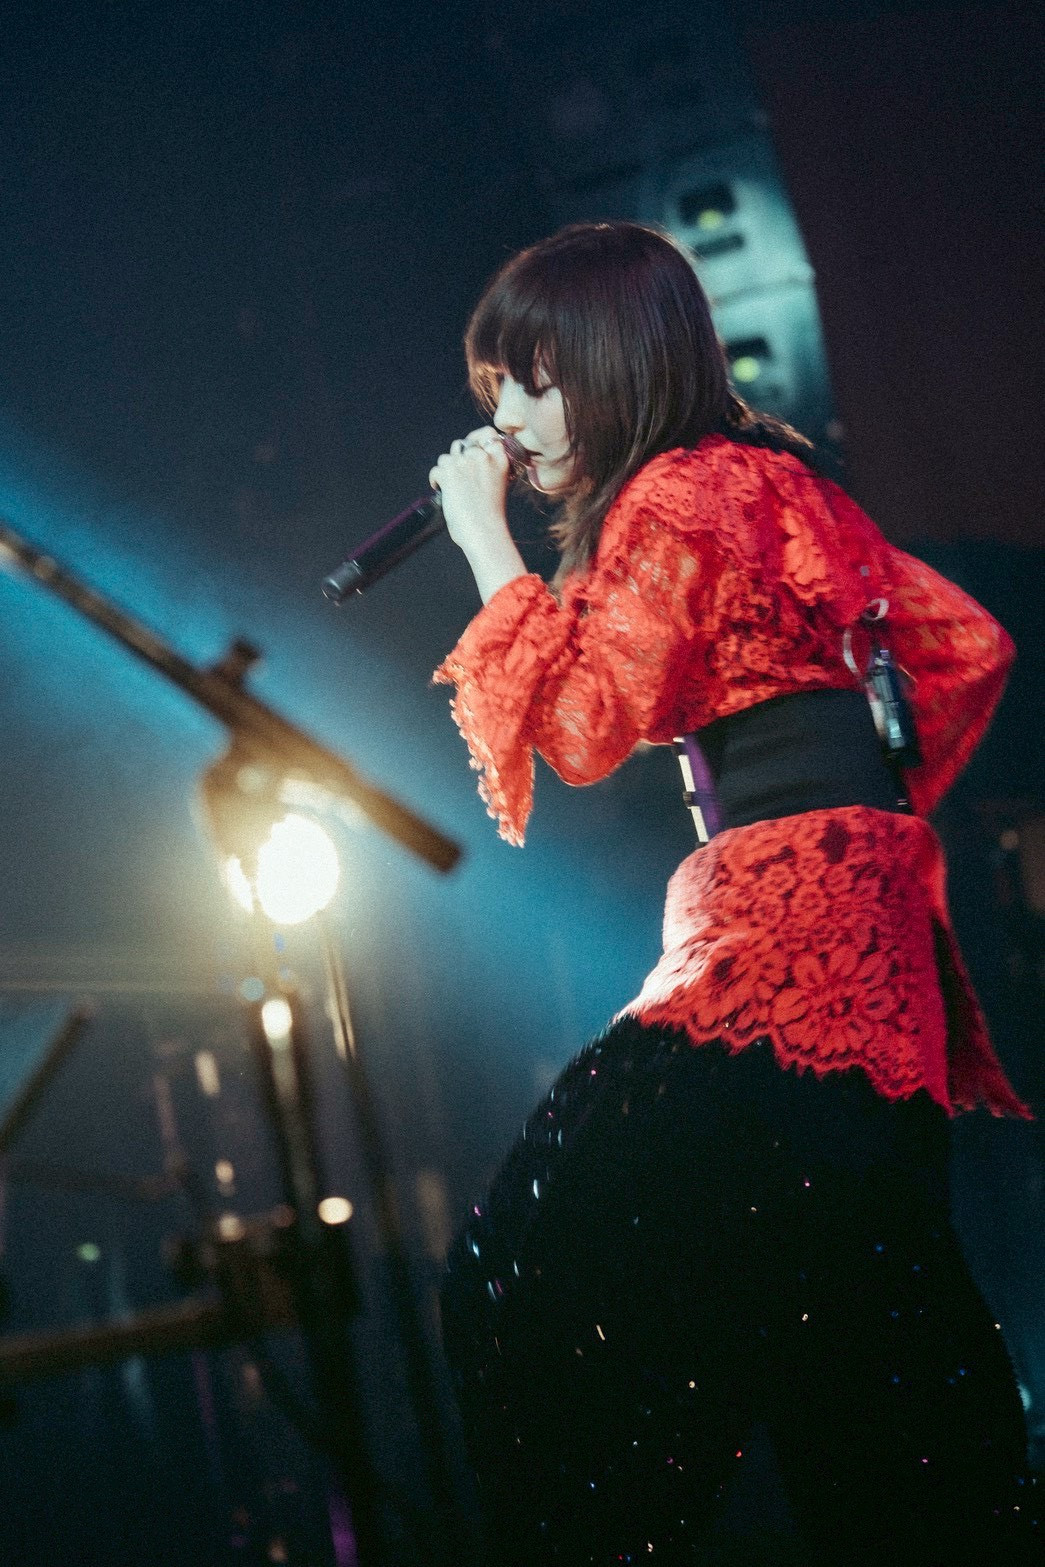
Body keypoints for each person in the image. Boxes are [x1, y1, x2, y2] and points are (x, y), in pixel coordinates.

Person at [429, 221, 1035, 1566]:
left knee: (527, 1266)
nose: (510, 420)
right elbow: (967, 647)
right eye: (494, 390)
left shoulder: (679, 497)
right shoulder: (769, 482)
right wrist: (870, 816)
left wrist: (483, 543)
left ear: (615, 363)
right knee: (863, 1362)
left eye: (534, 381)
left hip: (783, 940)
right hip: (864, 946)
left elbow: (579, 727)